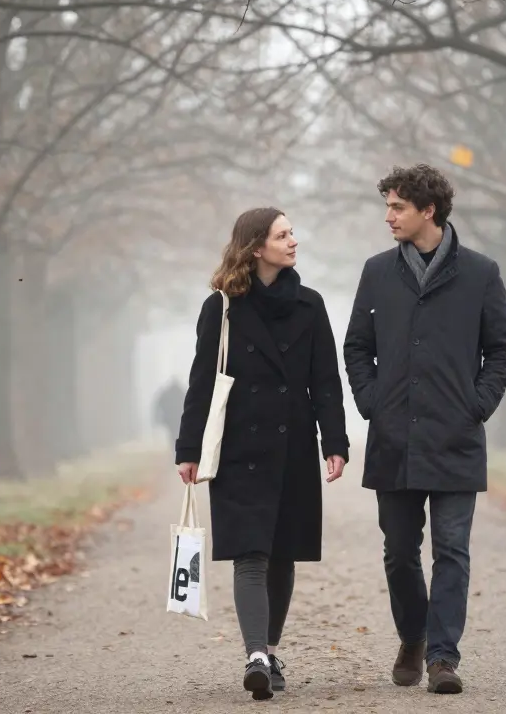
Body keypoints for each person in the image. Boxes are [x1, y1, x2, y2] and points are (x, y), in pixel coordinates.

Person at [343, 164, 506, 695]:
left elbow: (503, 349)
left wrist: (478, 404)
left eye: (398, 207)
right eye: (388, 207)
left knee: (452, 550)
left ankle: (443, 657)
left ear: (429, 211)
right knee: (399, 551)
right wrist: (373, 401)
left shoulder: (480, 273)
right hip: (393, 437)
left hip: (455, 437)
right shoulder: (376, 272)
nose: (389, 216)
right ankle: (413, 636)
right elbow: (356, 346)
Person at [175, 207, 350, 701]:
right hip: (239, 449)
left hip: (292, 446)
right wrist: (188, 448)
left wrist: (334, 442)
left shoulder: (311, 306)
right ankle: (256, 653)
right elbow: (202, 382)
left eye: (292, 233)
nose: (294, 241)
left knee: (283, 554)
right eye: (282, 234)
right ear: (257, 247)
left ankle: (269, 648)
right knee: (250, 552)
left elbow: (326, 383)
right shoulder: (222, 308)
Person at [153, 379, 185, 447]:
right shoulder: (180, 393)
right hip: (177, 419)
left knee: (173, 435)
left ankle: (175, 447)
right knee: (177, 434)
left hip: (170, 420)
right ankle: (177, 447)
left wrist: (158, 418)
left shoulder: (167, 394)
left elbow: (159, 405)